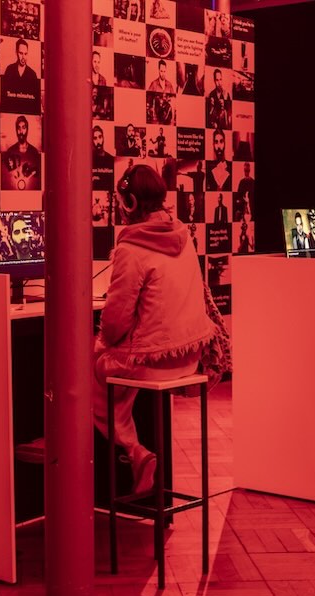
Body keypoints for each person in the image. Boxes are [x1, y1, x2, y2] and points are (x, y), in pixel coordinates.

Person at [95, 161, 217, 496]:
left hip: (154, 364)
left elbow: (115, 323)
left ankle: (135, 451)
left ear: (129, 202)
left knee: (91, 368)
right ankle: (135, 452)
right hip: (190, 357)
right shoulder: (182, 235)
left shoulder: (131, 248)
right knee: (115, 374)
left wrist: (104, 337)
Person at [2, 115, 41, 190]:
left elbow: (38, 174)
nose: (21, 131)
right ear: (16, 130)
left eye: (23, 127)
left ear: (27, 129)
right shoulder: (10, 151)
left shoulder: (34, 152)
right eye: (18, 128)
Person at [1, 39, 39, 113]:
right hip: (10, 111)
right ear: (16, 52)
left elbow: (35, 101)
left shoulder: (33, 74)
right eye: (21, 53)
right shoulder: (9, 69)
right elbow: (4, 96)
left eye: (25, 54)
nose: (23, 57)